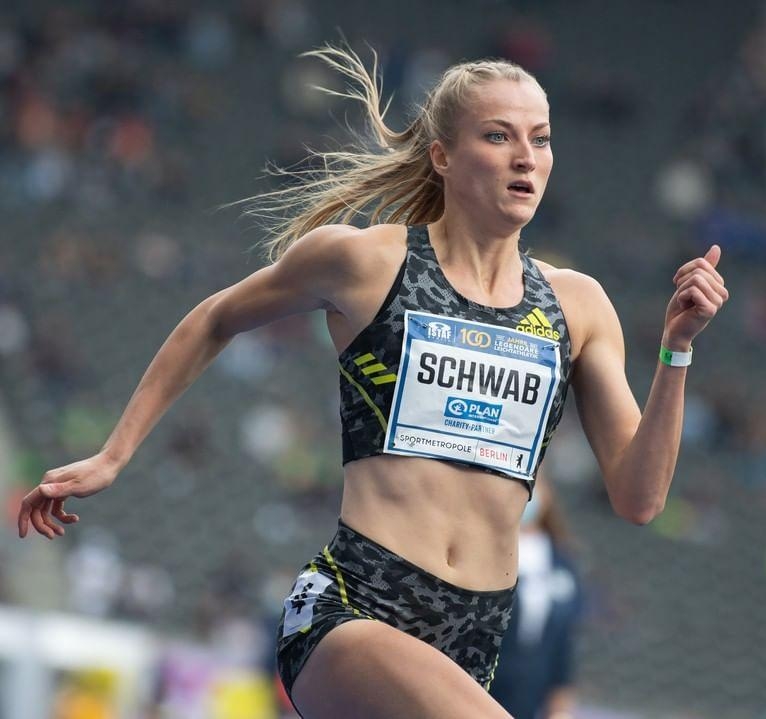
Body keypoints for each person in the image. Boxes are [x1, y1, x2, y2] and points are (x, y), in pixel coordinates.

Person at [17, 45, 729, 719]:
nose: (526, 157)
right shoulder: (368, 263)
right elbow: (215, 319)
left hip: (474, 637)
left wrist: (676, 351)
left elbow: (639, 498)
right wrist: (113, 454)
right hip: (356, 606)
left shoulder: (577, 305)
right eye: (499, 136)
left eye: (540, 139)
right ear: (442, 155)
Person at [489, 479, 584, 719]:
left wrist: (560, 707)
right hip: (481, 687)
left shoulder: (561, 563)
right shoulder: (484, 551)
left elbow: (564, 643)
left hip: (529, 699)